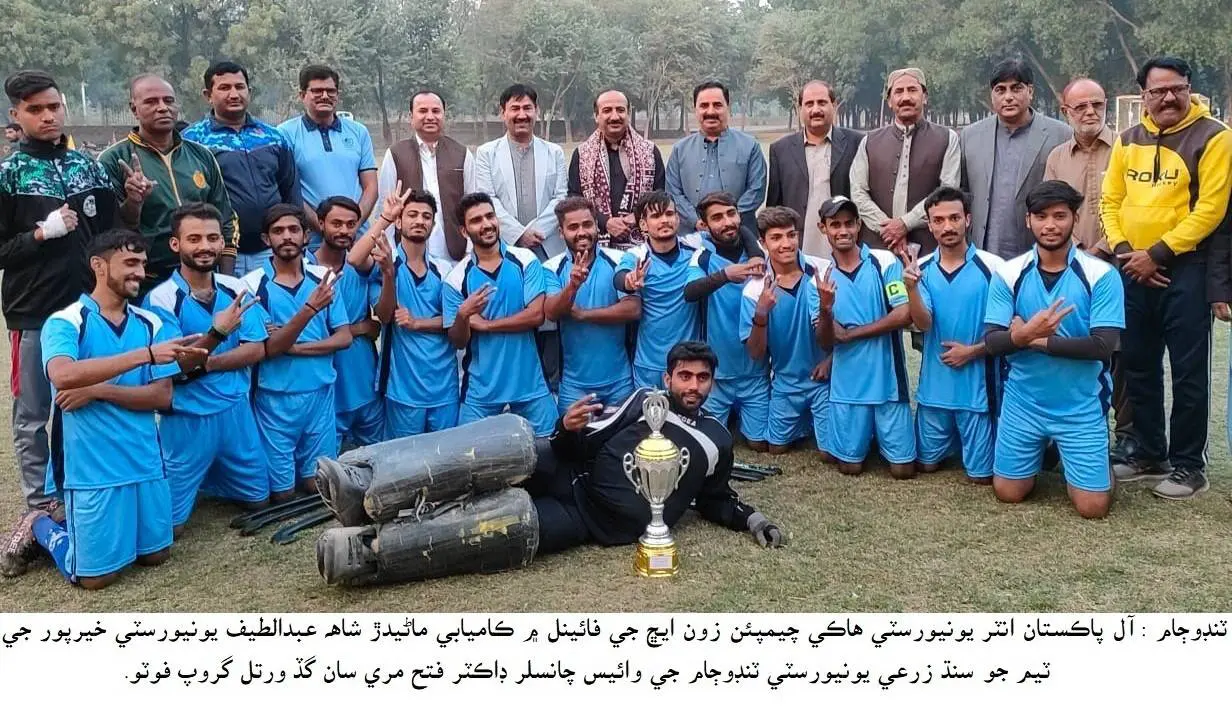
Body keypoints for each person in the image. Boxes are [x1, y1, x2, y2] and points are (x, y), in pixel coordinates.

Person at [2, 229, 205, 587]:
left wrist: (97, 390)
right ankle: (43, 526)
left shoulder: (150, 322)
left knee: (157, 557)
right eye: (129, 263)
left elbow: (162, 397)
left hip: (143, 461)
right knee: (96, 579)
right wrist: (143, 356)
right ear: (98, 265)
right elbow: (63, 375)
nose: (139, 273)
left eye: (142, 264)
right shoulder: (66, 320)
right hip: (91, 469)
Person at [1101, 56, 1232, 499]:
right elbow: (1110, 202)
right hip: (1132, 270)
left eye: (1177, 88)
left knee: (1188, 371)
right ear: (1144, 96)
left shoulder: (1214, 136)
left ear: (1190, 88)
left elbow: (1210, 210)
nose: (1169, 98)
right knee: (1138, 363)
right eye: (1158, 91)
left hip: (1185, 270)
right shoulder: (1126, 139)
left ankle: (1189, 466)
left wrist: (1156, 254)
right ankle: (1147, 451)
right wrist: (1125, 253)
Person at [527, 341, 784, 555]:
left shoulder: (718, 438)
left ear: (712, 383)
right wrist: (566, 427)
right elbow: (585, 443)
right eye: (685, 376)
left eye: (702, 377)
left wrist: (753, 520)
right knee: (513, 461)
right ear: (667, 378)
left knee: (511, 528)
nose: (694, 386)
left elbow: (715, 498)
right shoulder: (645, 402)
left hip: (591, 522)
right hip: (572, 478)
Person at [0, 70, 119, 524]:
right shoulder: (9, 175)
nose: (47, 116)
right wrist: (39, 233)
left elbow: (110, 232)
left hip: (89, 310)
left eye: (53, 107)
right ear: (16, 115)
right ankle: (38, 505)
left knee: (89, 400)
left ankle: (81, 486)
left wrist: (131, 201)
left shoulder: (87, 166)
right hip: (33, 312)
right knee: (34, 414)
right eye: (35, 110)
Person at [144, 203, 298, 533]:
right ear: (176, 244)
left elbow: (256, 349)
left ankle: (214, 475)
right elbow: (176, 367)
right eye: (194, 238)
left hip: (235, 413)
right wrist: (219, 333)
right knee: (168, 528)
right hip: (187, 419)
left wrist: (205, 362)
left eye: (213, 238)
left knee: (260, 501)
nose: (205, 246)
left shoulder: (234, 287)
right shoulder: (160, 299)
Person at [984, 181, 1124, 518]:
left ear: (1075, 218)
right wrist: (1018, 337)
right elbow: (992, 341)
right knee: (1008, 492)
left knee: (1092, 508)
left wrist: (1031, 338)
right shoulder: (1008, 273)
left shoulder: (1101, 274)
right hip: (1023, 403)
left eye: (1060, 216)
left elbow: (1103, 346)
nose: (1050, 225)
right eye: (1041, 216)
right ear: (1028, 220)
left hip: (1080, 404)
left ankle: (1098, 467)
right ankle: (1045, 450)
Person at [1043, 77, 1137, 461]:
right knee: (1072, 345)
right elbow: (1048, 209)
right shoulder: (1057, 157)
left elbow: (1135, 206)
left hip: (1123, 265)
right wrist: (1077, 252)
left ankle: (1129, 435)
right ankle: (1064, 432)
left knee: (1122, 354)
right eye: (1080, 107)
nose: (1089, 113)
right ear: (1066, 111)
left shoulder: (1129, 149)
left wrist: (1101, 248)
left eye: (1097, 105)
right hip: (1071, 268)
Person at [240, 205, 351, 500]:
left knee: (318, 487)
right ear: (266, 239)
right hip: (275, 397)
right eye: (278, 231)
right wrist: (279, 346)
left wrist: (292, 346)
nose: (286, 237)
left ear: (306, 235)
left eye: (293, 230)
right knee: (282, 494)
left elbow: (343, 338)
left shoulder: (324, 278)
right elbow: (266, 350)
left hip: (320, 393)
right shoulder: (251, 286)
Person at [902, 187, 1003, 482]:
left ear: (967, 220)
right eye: (939, 220)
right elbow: (924, 324)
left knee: (980, 477)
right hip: (934, 391)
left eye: (954, 218)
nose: (947, 226)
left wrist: (971, 351)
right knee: (925, 466)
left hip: (977, 394)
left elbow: (1007, 331)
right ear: (930, 225)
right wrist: (910, 289)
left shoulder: (994, 268)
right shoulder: (918, 269)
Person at [99, 74, 238, 287]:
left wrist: (227, 280)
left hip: (204, 276)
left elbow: (226, 218)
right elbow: (112, 231)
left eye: (169, 101)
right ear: (133, 109)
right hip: (148, 281)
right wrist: (134, 202)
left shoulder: (201, 155)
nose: (163, 108)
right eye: (151, 102)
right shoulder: (112, 160)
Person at [816, 196, 915, 477]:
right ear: (822, 228)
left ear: (859, 225)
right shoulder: (821, 275)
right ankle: (863, 435)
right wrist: (825, 309)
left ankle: (875, 435)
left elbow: (903, 314)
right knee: (849, 467)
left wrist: (851, 334)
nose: (843, 231)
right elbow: (824, 339)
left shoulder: (884, 261)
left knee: (902, 470)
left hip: (888, 383)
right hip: (847, 386)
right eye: (835, 224)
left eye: (849, 223)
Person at [443, 192, 556, 436]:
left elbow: (536, 316)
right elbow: (458, 340)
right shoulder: (456, 279)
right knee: (473, 463)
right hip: (481, 393)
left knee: (549, 457)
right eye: (476, 220)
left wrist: (485, 326)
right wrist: (463, 315)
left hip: (531, 386)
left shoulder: (526, 260)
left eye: (489, 216)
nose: (486, 224)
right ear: (464, 231)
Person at [350, 185, 459, 438]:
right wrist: (385, 220)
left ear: (433, 224)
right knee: (405, 466)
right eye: (412, 215)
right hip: (403, 389)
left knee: (446, 464)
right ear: (399, 222)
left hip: (444, 387)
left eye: (426, 216)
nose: (419, 221)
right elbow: (356, 261)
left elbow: (456, 320)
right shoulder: (386, 262)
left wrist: (418, 323)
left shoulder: (445, 270)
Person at [184, 61, 301, 277]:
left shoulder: (273, 137)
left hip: (271, 250)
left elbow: (290, 191)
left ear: (249, 91)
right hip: (222, 254)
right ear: (208, 95)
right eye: (224, 88)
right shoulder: (192, 141)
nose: (234, 94)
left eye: (239, 87)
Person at [741, 206, 833, 456]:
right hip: (784, 382)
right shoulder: (754, 288)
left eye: (791, 235)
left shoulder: (821, 272)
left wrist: (830, 360)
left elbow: (832, 336)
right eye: (776, 237)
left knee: (828, 454)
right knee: (775, 448)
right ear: (762, 242)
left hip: (822, 379)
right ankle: (803, 422)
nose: (786, 244)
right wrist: (761, 315)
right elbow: (756, 353)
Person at [683, 192, 769, 450]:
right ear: (705, 225)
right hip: (717, 375)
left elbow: (747, 235)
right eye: (717, 218)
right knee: (711, 442)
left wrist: (753, 246)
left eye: (731, 214)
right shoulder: (702, 255)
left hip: (756, 373)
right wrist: (724, 275)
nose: (726, 222)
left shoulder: (760, 252)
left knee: (759, 444)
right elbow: (690, 292)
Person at [962, 59, 1073, 258]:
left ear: (1030, 91)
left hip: (1039, 252)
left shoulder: (1060, 135)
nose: (1008, 97)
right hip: (982, 252)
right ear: (992, 94)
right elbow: (963, 192)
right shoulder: (970, 136)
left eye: (1016, 88)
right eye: (1000, 90)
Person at [544, 196, 640, 413]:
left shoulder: (619, 260)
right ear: (561, 232)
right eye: (573, 227)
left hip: (620, 381)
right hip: (573, 385)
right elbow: (551, 312)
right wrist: (572, 286)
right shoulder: (551, 268)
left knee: (619, 443)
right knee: (574, 444)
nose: (581, 232)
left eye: (587, 224)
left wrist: (584, 315)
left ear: (597, 226)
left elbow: (633, 309)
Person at [850, 68, 960, 256]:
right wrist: (887, 228)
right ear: (890, 101)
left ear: (924, 96)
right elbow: (858, 192)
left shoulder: (947, 138)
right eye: (899, 92)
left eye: (912, 90)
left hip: (930, 249)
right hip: (879, 249)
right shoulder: (870, 141)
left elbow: (947, 191)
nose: (906, 97)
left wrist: (905, 224)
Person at [310, 196, 384, 449]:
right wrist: (359, 328)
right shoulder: (303, 268)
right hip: (326, 387)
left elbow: (384, 313)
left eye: (351, 224)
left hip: (364, 378)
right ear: (320, 224)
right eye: (337, 223)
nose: (344, 230)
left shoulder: (361, 265)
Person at [278, 65, 377, 249]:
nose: (324, 96)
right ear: (302, 95)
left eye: (330, 91)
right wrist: (326, 229)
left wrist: (351, 227)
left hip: (358, 240)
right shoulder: (285, 134)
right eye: (316, 91)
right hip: (314, 242)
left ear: (337, 95)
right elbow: (290, 191)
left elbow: (371, 187)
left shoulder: (358, 132)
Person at [613, 191, 702, 388]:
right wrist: (629, 282)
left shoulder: (696, 249)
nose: (664, 220)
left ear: (678, 219)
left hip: (690, 364)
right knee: (651, 419)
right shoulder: (636, 256)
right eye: (656, 216)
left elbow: (738, 231)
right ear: (643, 224)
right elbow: (619, 278)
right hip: (649, 365)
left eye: (669, 214)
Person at [377, 90, 475, 264]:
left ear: (444, 115)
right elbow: (385, 207)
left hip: (455, 256)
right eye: (423, 111)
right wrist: (392, 254)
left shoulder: (462, 153)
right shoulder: (395, 154)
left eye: (436, 111)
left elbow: (473, 205)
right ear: (411, 116)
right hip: (408, 257)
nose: (430, 117)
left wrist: (470, 251)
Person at [766, 80, 862, 257]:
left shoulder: (857, 143)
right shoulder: (780, 149)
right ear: (800, 108)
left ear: (833, 105)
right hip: (799, 244)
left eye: (822, 103)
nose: (816, 109)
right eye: (809, 104)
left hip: (845, 241)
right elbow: (774, 206)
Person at [474, 84, 568, 260]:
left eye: (527, 108)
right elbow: (488, 198)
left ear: (536, 111)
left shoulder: (554, 152)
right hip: (505, 245)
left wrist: (536, 232)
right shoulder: (486, 153)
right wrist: (519, 234)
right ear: (503, 113)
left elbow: (560, 197)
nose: (522, 115)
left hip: (548, 246)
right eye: (514, 109)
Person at [666, 81, 766, 238]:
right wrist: (696, 220)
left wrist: (729, 220)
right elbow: (673, 192)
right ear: (695, 109)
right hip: (692, 236)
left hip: (740, 235)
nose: (710, 111)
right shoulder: (680, 149)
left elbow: (756, 189)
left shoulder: (750, 146)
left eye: (717, 105)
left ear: (728, 107)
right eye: (704, 105)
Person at [567, 89, 665, 249]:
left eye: (620, 110)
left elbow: (660, 194)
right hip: (595, 247)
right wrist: (605, 222)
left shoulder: (650, 152)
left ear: (628, 113)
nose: (614, 116)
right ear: (596, 116)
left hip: (642, 246)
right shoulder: (582, 154)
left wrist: (638, 215)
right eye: (607, 111)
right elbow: (574, 198)